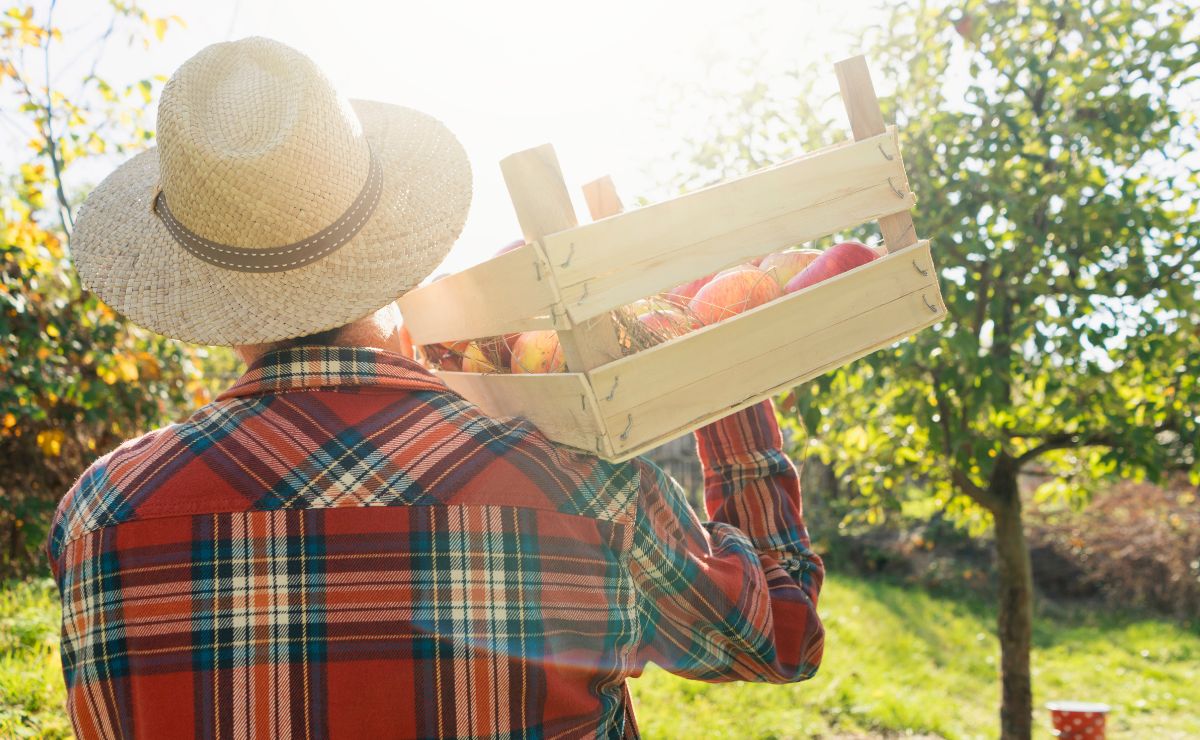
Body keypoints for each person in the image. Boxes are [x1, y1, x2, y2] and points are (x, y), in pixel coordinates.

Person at [48, 37, 824, 739]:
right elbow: (781, 639)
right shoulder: (581, 493)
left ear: (199, 280)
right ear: (388, 242)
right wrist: (727, 381)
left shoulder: (98, 518)